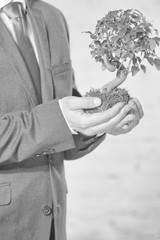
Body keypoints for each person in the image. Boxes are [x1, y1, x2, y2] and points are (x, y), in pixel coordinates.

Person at [0, 0, 144, 239]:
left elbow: (58, 136)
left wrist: (97, 124)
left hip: (55, 223)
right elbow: (57, 119)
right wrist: (61, 119)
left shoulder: (52, 17)